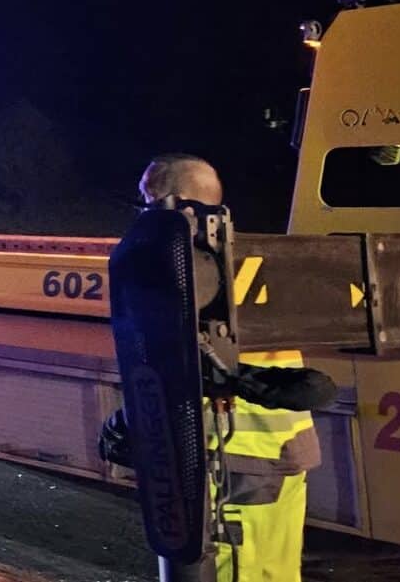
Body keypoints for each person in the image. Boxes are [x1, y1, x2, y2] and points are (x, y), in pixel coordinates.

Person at [133, 153, 320, 582]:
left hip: (232, 457)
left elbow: (176, 367)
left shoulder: (182, 271)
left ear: (173, 204)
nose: (145, 215)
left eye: (148, 201)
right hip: (285, 449)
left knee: (233, 570)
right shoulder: (262, 257)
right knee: (275, 569)